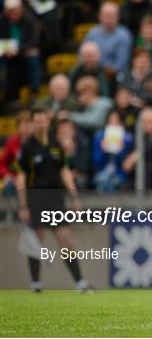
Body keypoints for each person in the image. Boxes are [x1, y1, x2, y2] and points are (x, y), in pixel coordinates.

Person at [15, 107, 91, 292]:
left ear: (48, 122)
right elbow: (21, 177)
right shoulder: (28, 148)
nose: (41, 124)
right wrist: (23, 205)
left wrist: (74, 196)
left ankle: (80, 282)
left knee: (66, 239)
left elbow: (64, 171)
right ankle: (36, 283)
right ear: (33, 123)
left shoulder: (56, 144)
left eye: (44, 120)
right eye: (37, 121)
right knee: (37, 240)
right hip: (36, 198)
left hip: (56, 198)